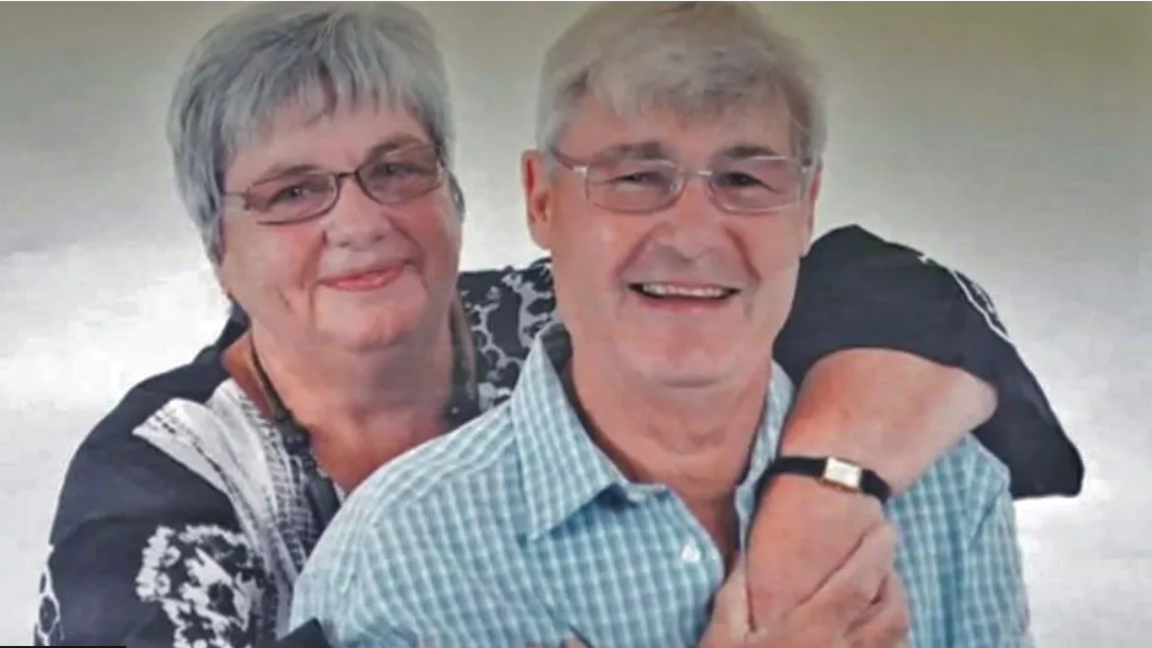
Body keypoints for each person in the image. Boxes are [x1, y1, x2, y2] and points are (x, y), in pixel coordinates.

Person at [35, 2, 1076, 647]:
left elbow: (897, 295)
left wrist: (814, 500)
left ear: (456, 192)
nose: (359, 223)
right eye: (294, 191)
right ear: (220, 244)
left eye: (395, 169)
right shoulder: (150, 505)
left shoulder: (547, 309)